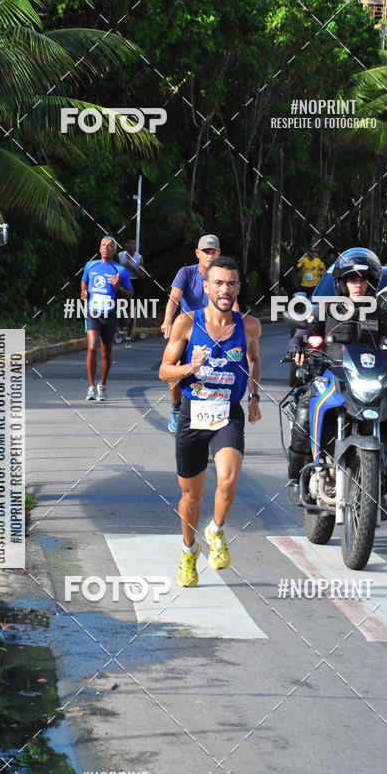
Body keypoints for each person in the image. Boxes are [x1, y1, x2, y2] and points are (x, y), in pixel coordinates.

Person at [159, 256, 261, 587]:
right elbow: (164, 371)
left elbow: (254, 359)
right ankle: (188, 551)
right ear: (206, 287)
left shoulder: (249, 326)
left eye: (231, 283)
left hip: (227, 412)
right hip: (194, 412)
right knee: (192, 497)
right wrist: (190, 367)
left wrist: (254, 397)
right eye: (218, 283)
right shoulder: (187, 323)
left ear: (237, 288)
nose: (225, 289)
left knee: (229, 479)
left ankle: (216, 530)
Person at [286, 247, 387, 520]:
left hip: (370, 381)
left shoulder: (380, 314)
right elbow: (306, 330)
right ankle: (297, 480)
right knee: (304, 414)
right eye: (352, 278)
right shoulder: (326, 308)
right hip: (332, 378)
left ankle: (380, 489)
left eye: (363, 279)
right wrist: (297, 344)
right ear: (343, 281)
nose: (358, 284)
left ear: (372, 283)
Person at [162, 235, 240, 433]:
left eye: (213, 252)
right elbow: (174, 298)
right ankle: (176, 408)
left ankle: (224, 409)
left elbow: (233, 304)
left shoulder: (223, 277)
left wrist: (238, 326)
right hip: (189, 331)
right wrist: (167, 320)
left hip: (216, 331)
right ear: (198, 253)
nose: (210, 255)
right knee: (175, 366)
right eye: (206, 252)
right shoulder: (186, 273)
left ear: (219, 254)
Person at [80, 236, 133, 401]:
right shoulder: (91, 265)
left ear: (115, 250)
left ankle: (102, 385)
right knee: (92, 346)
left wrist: (119, 288)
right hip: (93, 313)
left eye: (110, 246)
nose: (106, 248)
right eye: (103, 245)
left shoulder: (120, 270)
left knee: (106, 352)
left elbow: (130, 293)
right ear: (99, 248)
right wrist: (84, 292)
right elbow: (84, 282)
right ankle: (90, 387)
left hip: (109, 314)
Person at [117, 237, 145, 347]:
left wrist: (133, 268)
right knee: (120, 309)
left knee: (130, 312)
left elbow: (143, 276)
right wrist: (122, 269)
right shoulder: (120, 255)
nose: (132, 246)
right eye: (130, 243)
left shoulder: (139, 258)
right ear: (126, 244)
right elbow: (115, 269)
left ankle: (128, 337)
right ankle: (120, 331)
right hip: (123, 282)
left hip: (134, 284)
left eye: (134, 243)